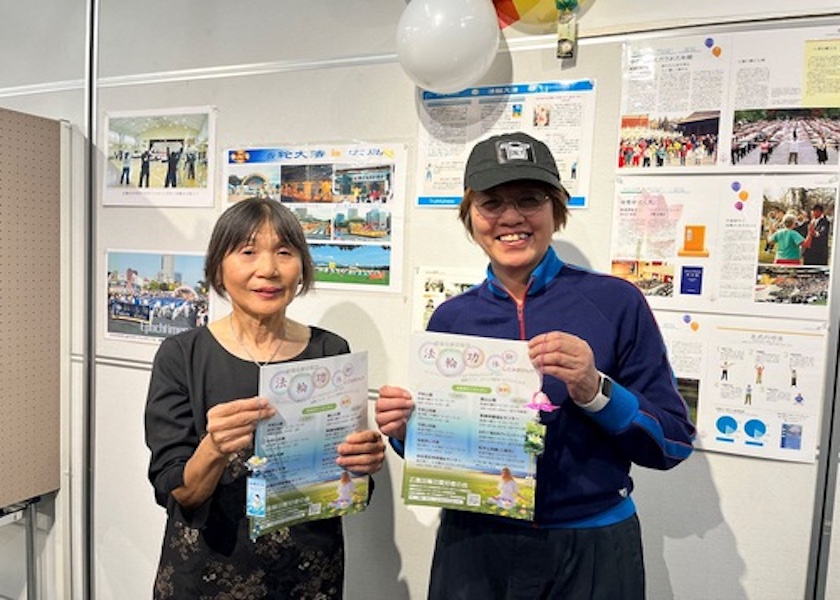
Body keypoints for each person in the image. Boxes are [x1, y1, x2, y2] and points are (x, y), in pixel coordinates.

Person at [375, 132, 695, 599]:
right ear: (471, 214)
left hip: (591, 547)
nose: (510, 218)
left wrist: (595, 390)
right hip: (475, 545)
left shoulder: (616, 303)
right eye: (491, 202)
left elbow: (671, 443)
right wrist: (406, 432)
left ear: (555, 210)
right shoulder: (452, 318)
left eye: (530, 199)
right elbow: (446, 457)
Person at [145, 197, 385, 599]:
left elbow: (346, 486)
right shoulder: (182, 355)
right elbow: (174, 491)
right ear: (219, 266)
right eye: (248, 251)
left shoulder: (330, 351)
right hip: (208, 574)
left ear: (302, 267)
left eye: (285, 252)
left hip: (308, 574)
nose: (269, 269)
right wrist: (213, 449)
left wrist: (362, 463)